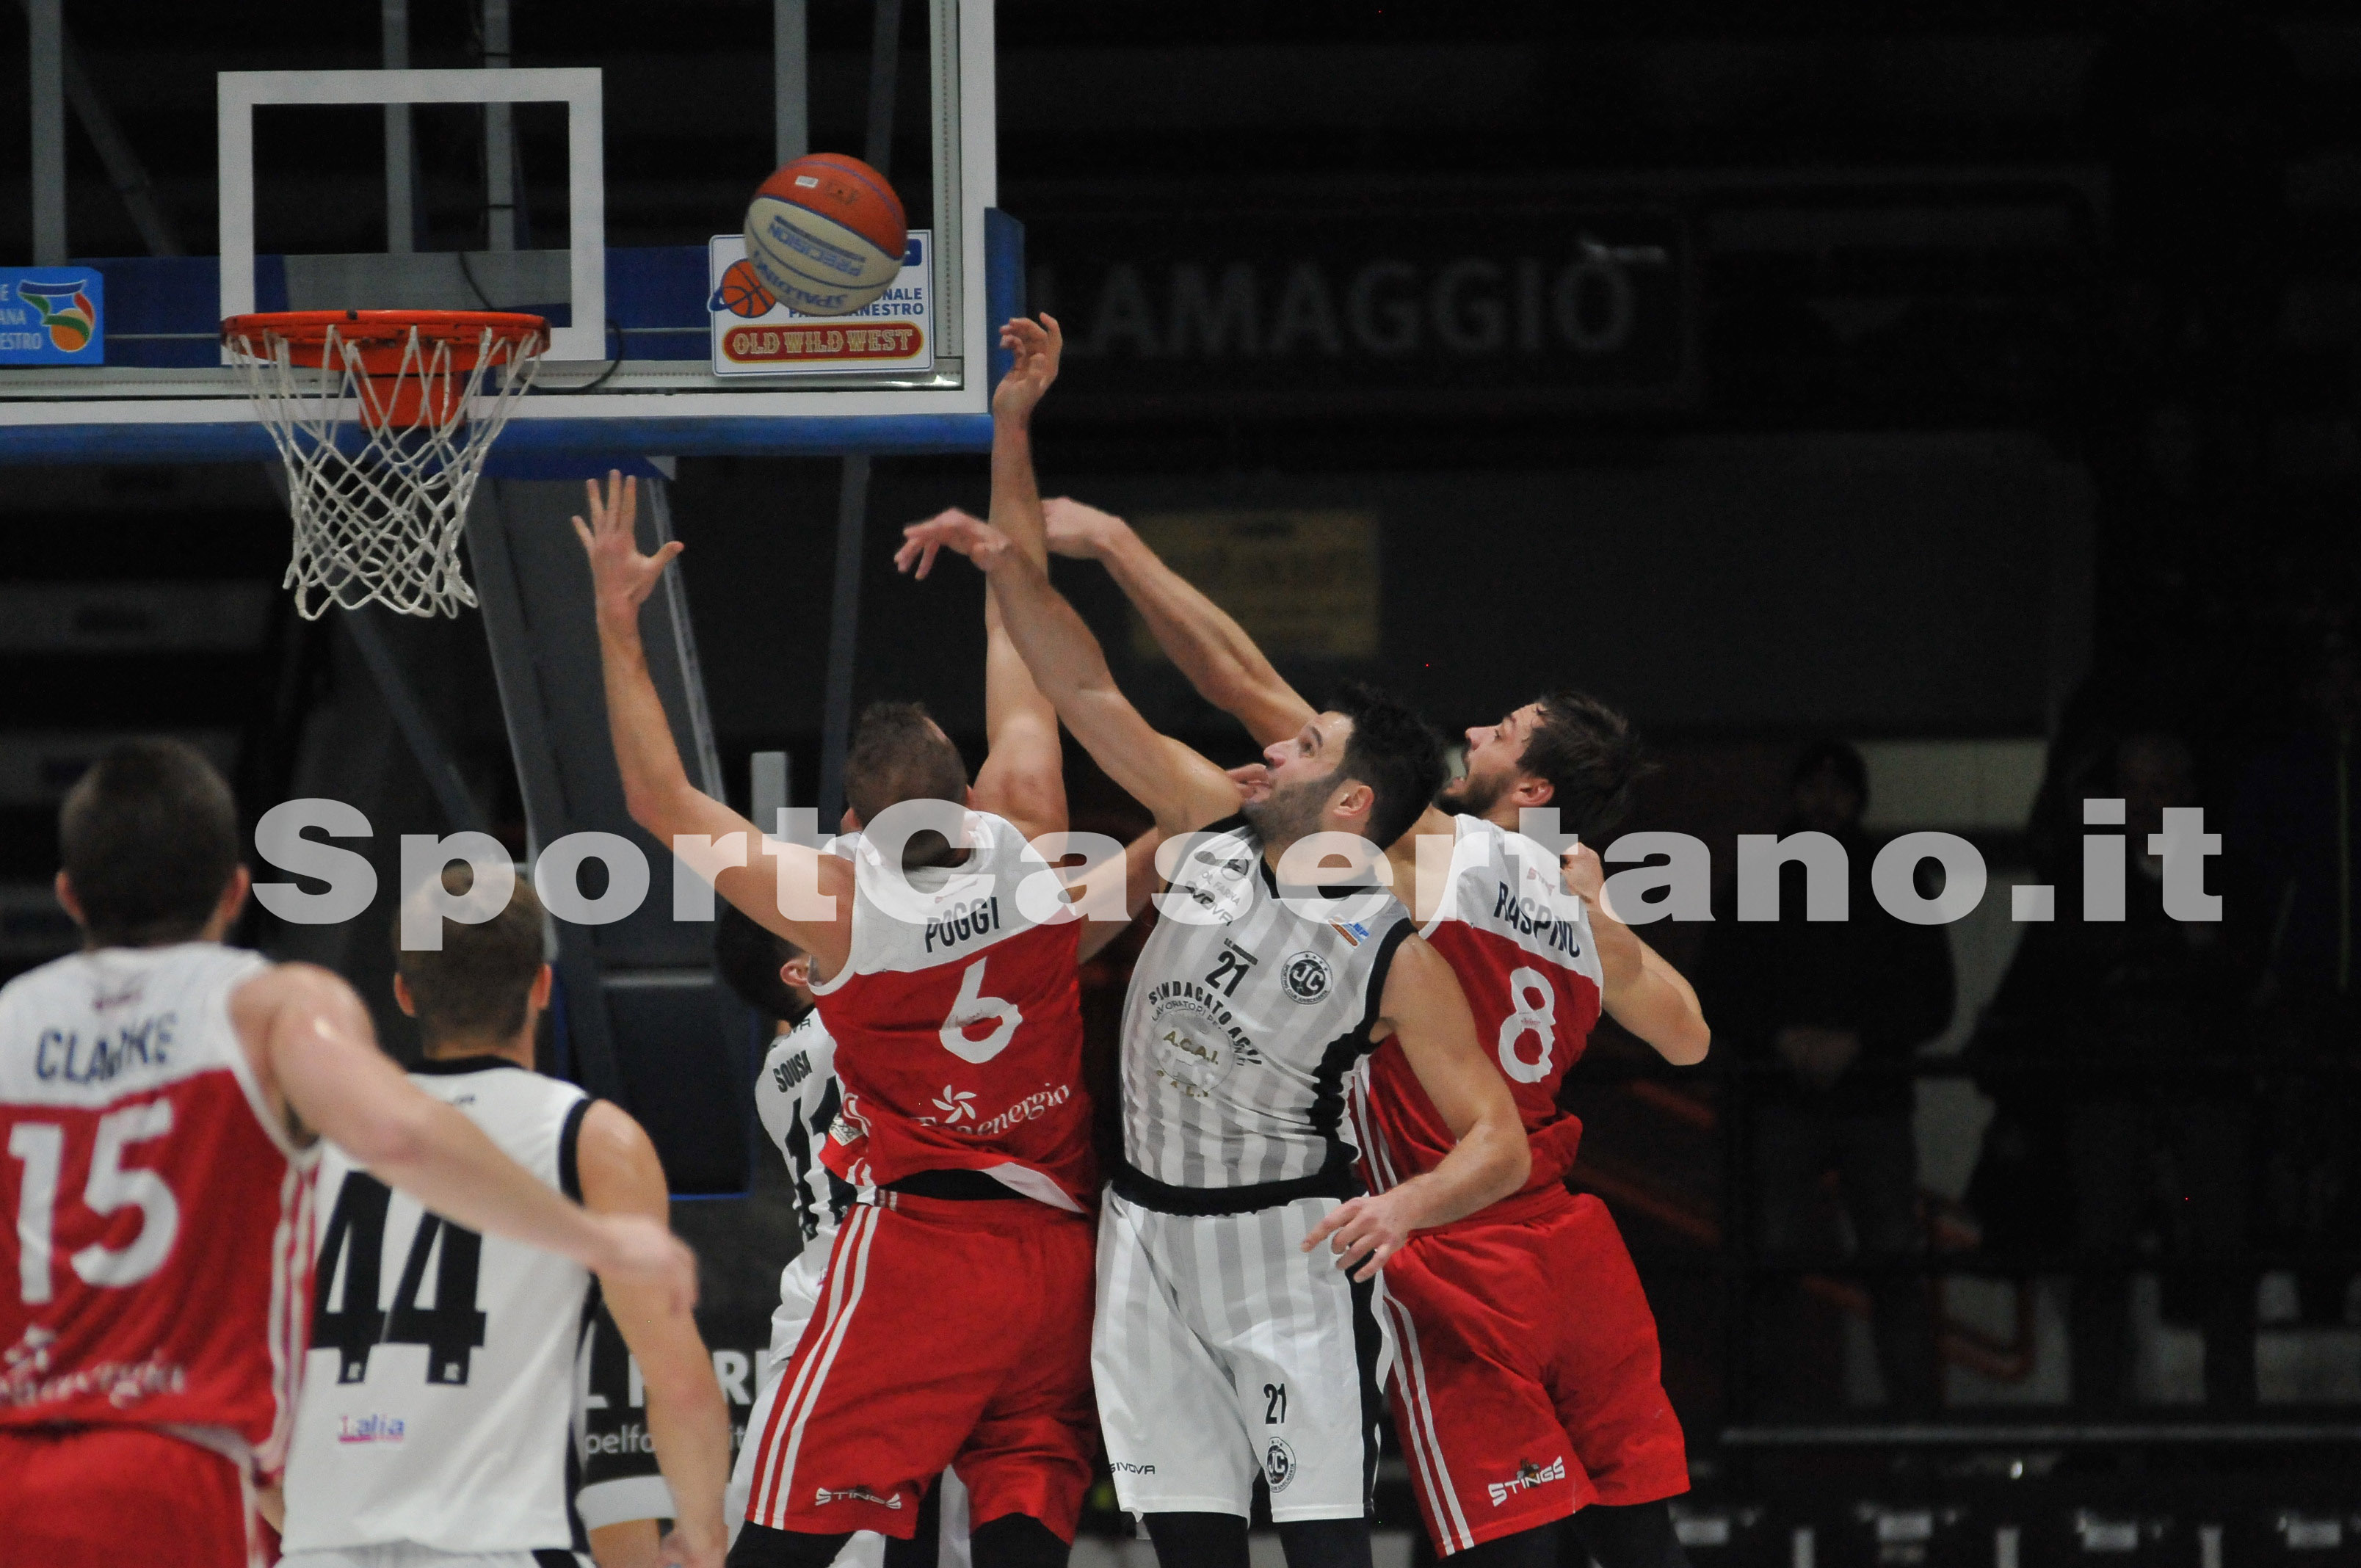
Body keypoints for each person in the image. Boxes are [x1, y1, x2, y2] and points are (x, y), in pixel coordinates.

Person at [898, 397, 1528, 1568]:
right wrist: (1011, 478)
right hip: (1143, 1237)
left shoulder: (1396, 953)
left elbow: (1500, 1141)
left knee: (1325, 1551)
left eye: (1305, 747)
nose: (1275, 745)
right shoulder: (1203, 826)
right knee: (1191, 1549)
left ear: (1349, 804)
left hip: (1287, 1255)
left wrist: (1403, 1209)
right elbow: (1082, 686)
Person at [1031, 496, 1711, 1568]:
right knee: (1642, 1534)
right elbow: (1689, 1042)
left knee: (1513, 1545)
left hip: (1458, 1237)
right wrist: (1600, 912)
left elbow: (1240, 682)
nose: (1473, 732)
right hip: (1577, 1249)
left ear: (1530, 788)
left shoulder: (1427, 848)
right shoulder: (1583, 901)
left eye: (1499, 735)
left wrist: (1117, 547)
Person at [578, 318, 1145, 1568]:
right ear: (971, 797)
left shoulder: (841, 902)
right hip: (1057, 1247)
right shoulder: (1047, 856)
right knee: (1016, 1524)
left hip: (923, 1254)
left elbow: (662, 804)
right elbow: (1035, 673)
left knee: (775, 1545)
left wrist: (620, 624)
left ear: (851, 824)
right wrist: (1008, 463)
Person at [0, 740, 695, 1567]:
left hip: (24, 1467)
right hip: (177, 1460)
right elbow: (398, 1133)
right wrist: (598, 1239)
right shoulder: (270, 1009)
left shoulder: (11, 1018)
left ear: (70, 896)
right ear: (234, 891)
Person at [275, 873, 733, 1568]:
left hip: (323, 1546)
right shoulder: (591, 1139)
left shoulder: (315, 1143)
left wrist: (309, 1523)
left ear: (404, 994)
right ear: (543, 986)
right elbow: (677, 1381)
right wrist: (701, 1537)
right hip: (499, 1542)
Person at [1980, 730, 2249, 1407]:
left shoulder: (2211, 861)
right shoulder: (2090, 867)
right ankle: (2102, 1426)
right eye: (2132, 788)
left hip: (2193, 1087)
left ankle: (2227, 1428)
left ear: (2185, 795)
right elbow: (2062, 967)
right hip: (2114, 1090)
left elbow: (2231, 971)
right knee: (2104, 1254)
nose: (2143, 805)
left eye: (2158, 790)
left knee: (2213, 1252)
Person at [1697, 740, 1954, 1417]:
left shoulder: (1766, 876)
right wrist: (1834, 1040)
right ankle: (1911, 1442)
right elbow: (1930, 994)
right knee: (1872, 1267)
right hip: (1850, 1098)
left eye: (1835, 789)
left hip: (1806, 1096)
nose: (1825, 801)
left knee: (1791, 1269)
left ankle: (1768, 1443)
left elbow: (1933, 995)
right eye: (1816, 788)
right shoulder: (1891, 879)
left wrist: (1805, 1039)